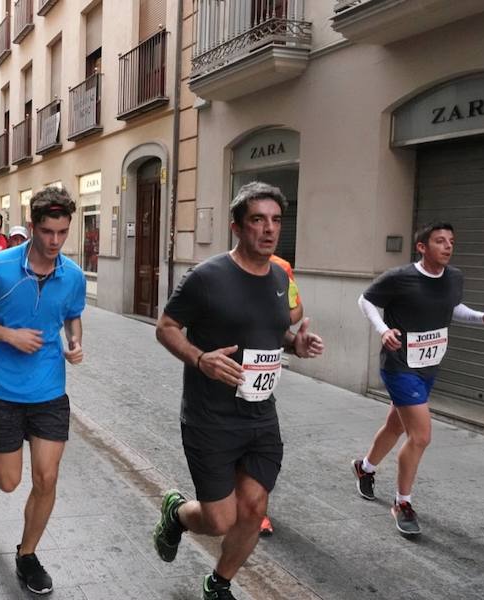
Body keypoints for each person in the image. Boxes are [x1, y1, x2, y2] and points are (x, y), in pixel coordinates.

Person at [153, 181, 324, 600]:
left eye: (276, 220)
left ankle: (219, 583)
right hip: (210, 417)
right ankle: (176, 513)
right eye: (257, 220)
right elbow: (166, 327)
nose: (268, 229)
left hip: (260, 414)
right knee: (219, 520)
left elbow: (272, 331)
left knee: (254, 508)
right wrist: (200, 359)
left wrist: (294, 344)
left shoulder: (282, 276)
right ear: (237, 227)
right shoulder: (207, 277)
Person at [0, 187, 85, 595]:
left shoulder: (73, 276)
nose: (55, 241)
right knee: (11, 481)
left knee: (46, 478)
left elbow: (72, 316)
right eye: (47, 231)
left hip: (48, 389)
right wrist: (9, 336)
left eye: (63, 232)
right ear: (31, 227)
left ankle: (27, 554)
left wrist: (74, 342)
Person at [353, 222, 484, 536]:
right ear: (422, 247)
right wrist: (383, 331)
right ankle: (402, 502)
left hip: (429, 366)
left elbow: (453, 308)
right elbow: (365, 300)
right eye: (439, 241)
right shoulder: (401, 277)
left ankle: (364, 467)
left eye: (451, 241)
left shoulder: (454, 278)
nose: (448, 246)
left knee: (396, 425)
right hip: (399, 365)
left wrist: (482, 318)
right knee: (420, 436)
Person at [258, 254, 304, 537]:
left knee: (262, 444)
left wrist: (275, 318)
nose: (267, 229)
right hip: (230, 366)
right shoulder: (219, 268)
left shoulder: (281, 267)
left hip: (263, 369)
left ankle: (258, 512)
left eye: (275, 221)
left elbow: (295, 309)